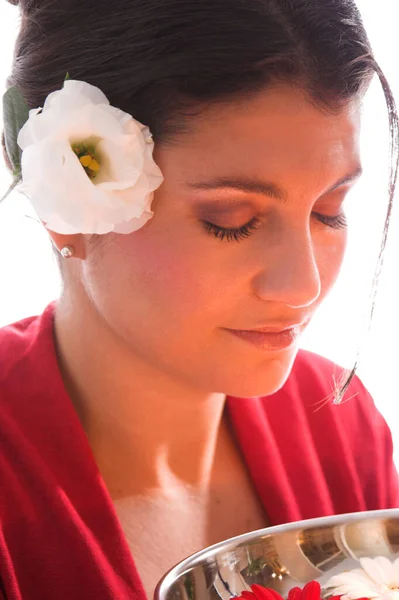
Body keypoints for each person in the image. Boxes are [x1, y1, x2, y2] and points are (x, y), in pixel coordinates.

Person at [0, 0, 398, 598]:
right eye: (231, 221)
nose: (304, 285)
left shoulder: (338, 426)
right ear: (65, 199)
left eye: (328, 212)